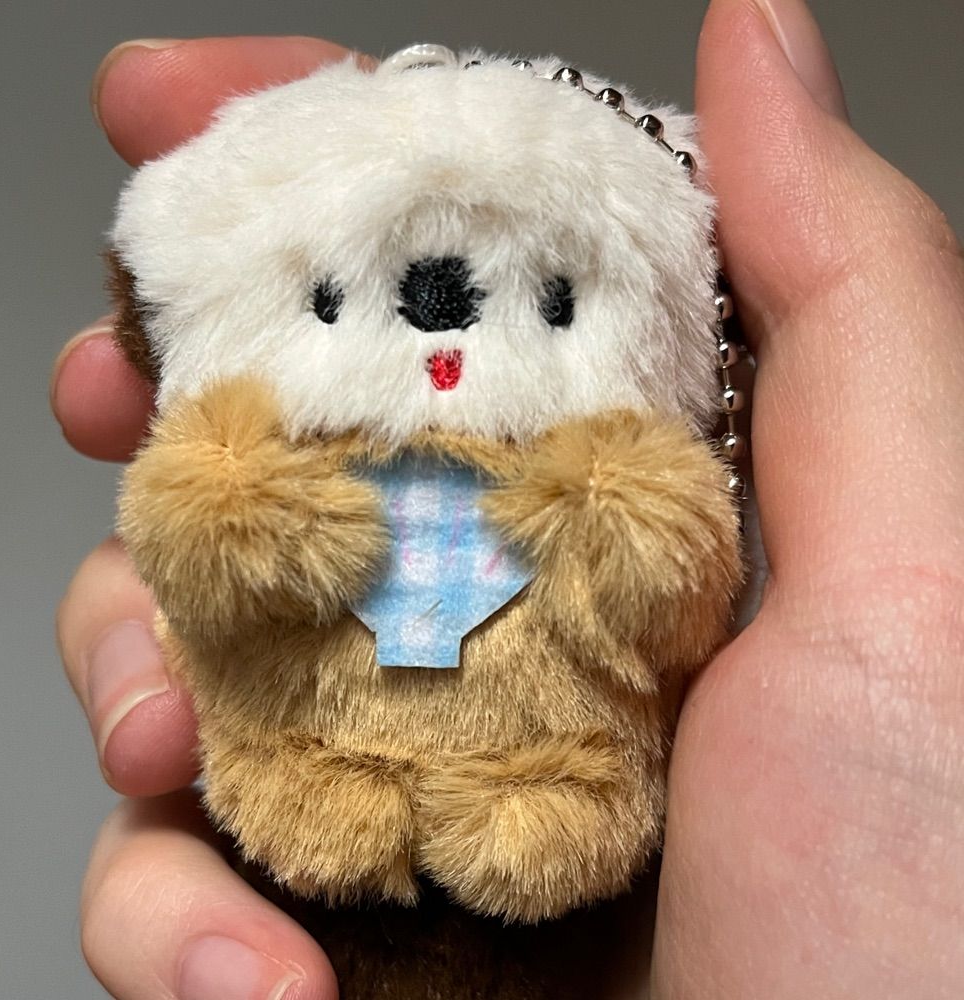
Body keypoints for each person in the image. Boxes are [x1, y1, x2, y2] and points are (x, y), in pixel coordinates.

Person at [52, 1, 964, 997]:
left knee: (551, 823)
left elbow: (667, 605)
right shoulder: (256, 439)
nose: (443, 327)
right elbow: (197, 555)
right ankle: (331, 775)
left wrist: (621, 511)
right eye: (335, 298)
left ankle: (544, 786)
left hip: (564, 826)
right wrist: (246, 512)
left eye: (553, 299)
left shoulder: (608, 458)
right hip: (307, 786)